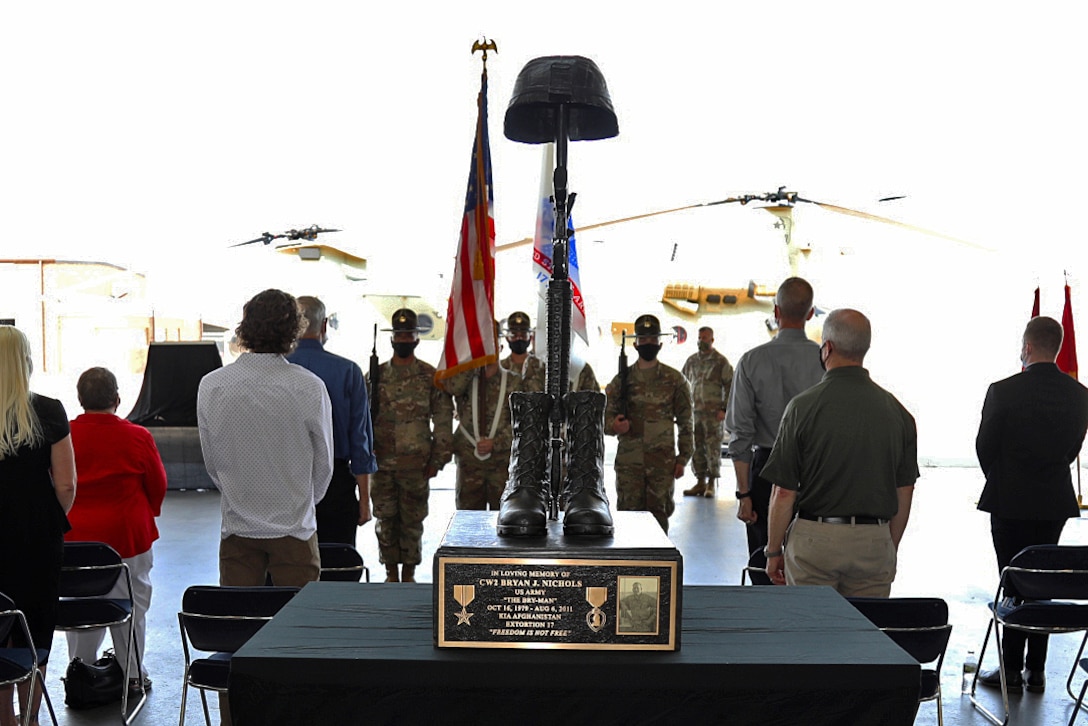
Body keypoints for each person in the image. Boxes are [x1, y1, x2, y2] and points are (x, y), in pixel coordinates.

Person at [760, 308, 918, 597]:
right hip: (874, 541)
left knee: (812, 635)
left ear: (827, 348)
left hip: (815, 542)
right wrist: (887, 546)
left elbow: (783, 493)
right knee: (862, 636)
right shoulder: (898, 412)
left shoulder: (802, 408)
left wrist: (773, 552)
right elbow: (904, 491)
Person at [975, 315, 1088, 694]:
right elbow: (1073, 449)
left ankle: (1009, 670)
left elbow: (985, 446)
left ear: (1026, 347)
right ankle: (1036, 670)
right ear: (1056, 349)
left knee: (1011, 580)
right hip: (1053, 501)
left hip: (1009, 500)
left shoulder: (1002, 390)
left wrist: (1004, 476)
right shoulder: (1080, 395)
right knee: (1043, 582)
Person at [197, 289, 334, 588]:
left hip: (237, 526)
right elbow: (324, 463)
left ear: (244, 327)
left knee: (241, 624)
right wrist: (303, 503)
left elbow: (212, 462)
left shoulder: (212, 385)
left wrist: (239, 495)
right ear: (294, 330)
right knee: (297, 626)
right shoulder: (309, 386)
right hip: (294, 528)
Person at [65, 367, 166, 695]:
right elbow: (158, 485)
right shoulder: (138, 436)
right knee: (132, 605)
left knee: (81, 605)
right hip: (128, 535)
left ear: (80, 400)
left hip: (75, 538)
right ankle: (133, 674)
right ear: (118, 399)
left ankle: (80, 672)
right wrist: (146, 513)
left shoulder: (64, 436)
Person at [0, 326, 77, 726]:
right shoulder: (48, 410)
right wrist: (48, 515)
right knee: (35, 627)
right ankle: (30, 717)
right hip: (36, 537)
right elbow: (66, 483)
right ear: (25, 361)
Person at [725, 277, 823, 556]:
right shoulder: (825, 359)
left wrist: (744, 495)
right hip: (815, 470)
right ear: (810, 314)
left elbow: (740, 434)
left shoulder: (751, 361)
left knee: (764, 558)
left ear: (776, 312)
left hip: (766, 469)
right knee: (810, 561)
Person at [367, 309, 453, 583]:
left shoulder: (430, 376)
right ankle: (390, 574)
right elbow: (362, 420)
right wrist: (366, 454)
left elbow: (442, 419)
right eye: (399, 335)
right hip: (382, 464)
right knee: (386, 520)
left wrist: (438, 459)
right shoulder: (374, 376)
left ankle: (409, 575)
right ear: (392, 339)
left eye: (409, 335)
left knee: (413, 523)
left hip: (416, 465)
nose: (404, 339)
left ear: (417, 339)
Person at [287, 296, 377, 545]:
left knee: (288, 571)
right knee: (339, 566)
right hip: (336, 484)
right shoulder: (348, 371)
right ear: (324, 325)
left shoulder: (276, 370)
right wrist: (364, 500)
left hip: (286, 482)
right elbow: (360, 440)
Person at [605, 314, 694, 533]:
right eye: (643, 339)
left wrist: (683, 458)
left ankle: (658, 568)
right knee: (628, 519)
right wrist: (614, 426)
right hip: (629, 464)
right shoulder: (621, 380)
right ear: (635, 343)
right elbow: (605, 416)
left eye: (652, 339)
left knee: (658, 519)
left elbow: (686, 421)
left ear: (660, 343)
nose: (647, 343)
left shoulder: (675, 380)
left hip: (661, 464)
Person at [445, 333, 517, 510]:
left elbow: (521, 423)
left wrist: (497, 442)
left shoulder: (514, 382)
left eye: (492, 346)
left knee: (502, 519)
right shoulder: (465, 379)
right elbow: (451, 387)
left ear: (500, 348)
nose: (488, 350)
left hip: (501, 464)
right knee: (467, 523)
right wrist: (472, 363)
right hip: (469, 463)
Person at [681, 326, 733, 498]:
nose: (701, 341)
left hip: (713, 414)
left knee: (713, 448)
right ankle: (700, 481)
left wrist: (724, 409)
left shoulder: (720, 362)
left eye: (705, 338)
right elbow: (682, 384)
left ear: (712, 340)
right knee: (696, 447)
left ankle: (711, 482)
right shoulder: (691, 361)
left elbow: (731, 386)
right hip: (695, 413)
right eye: (700, 337)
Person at [500, 311, 546, 392]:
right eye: (514, 335)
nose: (519, 338)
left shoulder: (541, 367)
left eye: (523, 335)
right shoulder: (501, 368)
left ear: (530, 337)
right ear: (507, 338)